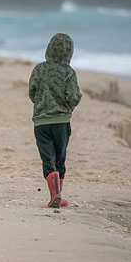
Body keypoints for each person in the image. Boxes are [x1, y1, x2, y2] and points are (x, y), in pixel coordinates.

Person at [28, 33, 82, 208]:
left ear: (49, 48)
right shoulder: (69, 73)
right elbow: (73, 97)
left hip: (41, 123)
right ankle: (58, 195)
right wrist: (67, 108)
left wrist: (41, 104)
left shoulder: (39, 69)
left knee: (47, 159)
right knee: (60, 158)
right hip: (61, 122)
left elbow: (32, 92)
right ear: (70, 53)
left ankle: (54, 195)